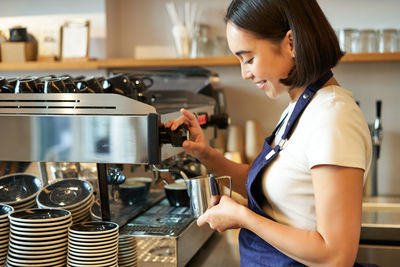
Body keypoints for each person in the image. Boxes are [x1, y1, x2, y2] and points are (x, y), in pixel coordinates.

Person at [166, 0, 372, 266]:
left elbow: (336, 256)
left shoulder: (333, 116)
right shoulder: (300, 107)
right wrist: (205, 154)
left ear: (291, 43)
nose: (245, 73)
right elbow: (268, 187)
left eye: (249, 58)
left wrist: (243, 218)